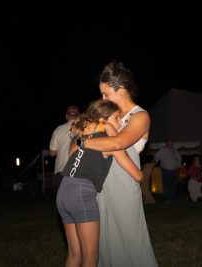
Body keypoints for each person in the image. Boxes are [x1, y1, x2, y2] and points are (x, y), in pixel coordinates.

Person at [81, 61, 158, 267]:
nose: (103, 99)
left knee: (129, 240)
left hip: (124, 185)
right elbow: (80, 130)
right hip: (100, 181)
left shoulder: (141, 116)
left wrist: (85, 142)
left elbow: (119, 142)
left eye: (106, 94)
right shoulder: (108, 113)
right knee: (104, 240)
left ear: (121, 89)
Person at [56, 99, 143, 267]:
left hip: (64, 191)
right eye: (117, 118)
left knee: (75, 254)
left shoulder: (80, 140)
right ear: (104, 120)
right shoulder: (107, 142)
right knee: (91, 257)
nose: (120, 122)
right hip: (81, 193)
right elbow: (137, 175)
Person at [50, 105, 80, 192]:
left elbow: (53, 153)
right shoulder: (85, 128)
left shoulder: (58, 129)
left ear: (66, 116)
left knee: (63, 201)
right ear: (79, 116)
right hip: (79, 170)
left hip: (62, 170)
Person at [154, 137, 182, 203]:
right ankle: (168, 199)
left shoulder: (175, 150)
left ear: (172, 143)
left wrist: (178, 166)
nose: (170, 143)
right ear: (166, 143)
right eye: (169, 142)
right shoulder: (162, 150)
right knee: (167, 185)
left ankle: (173, 199)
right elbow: (156, 157)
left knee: (174, 185)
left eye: (171, 142)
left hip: (174, 171)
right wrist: (154, 162)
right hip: (166, 171)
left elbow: (179, 159)